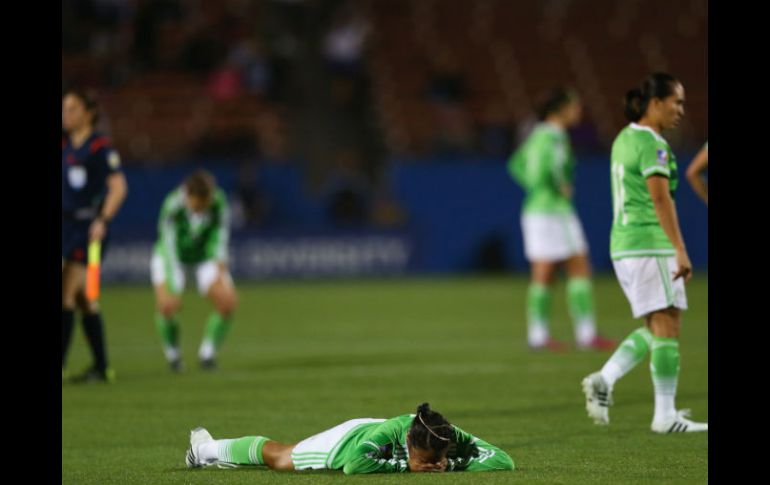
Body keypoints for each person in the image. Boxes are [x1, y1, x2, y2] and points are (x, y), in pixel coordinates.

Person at [581, 73, 708, 433]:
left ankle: (606, 377)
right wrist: (680, 249)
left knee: (656, 326)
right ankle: (665, 416)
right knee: (667, 325)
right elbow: (660, 199)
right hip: (650, 243)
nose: (680, 110)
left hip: (625, 244)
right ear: (655, 103)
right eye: (676, 102)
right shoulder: (654, 144)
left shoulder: (624, 137)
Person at [508, 88, 615, 351]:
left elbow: (516, 164)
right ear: (561, 109)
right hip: (555, 211)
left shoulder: (537, 134)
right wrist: (559, 185)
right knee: (578, 267)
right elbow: (548, 169)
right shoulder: (555, 137)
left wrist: (535, 188)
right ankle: (585, 334)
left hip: (536, 208)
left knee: (543, 273)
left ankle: (538, 335)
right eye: (574, 107)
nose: (578, 111)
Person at [185, 402, 514, 474]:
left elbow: (504, 460)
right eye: (426, 461)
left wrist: (453, 464)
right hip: (347, 441)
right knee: (280, 457)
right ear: (409, 443)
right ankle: (205, 449)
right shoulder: (393, 432)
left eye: (437, 460)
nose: (433, 465)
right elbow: (354, 465)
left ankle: (210, 450)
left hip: (369, 435)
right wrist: (407, 467)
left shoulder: (442, 434)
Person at [62, 89, 128, 383]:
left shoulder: (100, 147)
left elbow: (119, 187)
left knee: (65, 293)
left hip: (88, 230)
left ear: (88, 113)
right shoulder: (65, 145)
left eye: (72, 109)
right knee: (84, 299)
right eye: (64, 109)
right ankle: (102, 368)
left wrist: (103, 219)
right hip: (65, 226)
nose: (66, 114)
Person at [151, 169, 238, 371]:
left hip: (203, 258)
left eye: (204, 205)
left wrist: (220, 265)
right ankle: (173, 356)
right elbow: (169, 247)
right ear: (188, 196)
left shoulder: (218, 201)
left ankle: (207, 355)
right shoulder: (172, 205)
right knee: (166, 306)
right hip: (173, 259)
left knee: (227, 302)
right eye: (197, 206)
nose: (201, 210)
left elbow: (221, 234)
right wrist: (172, 287)